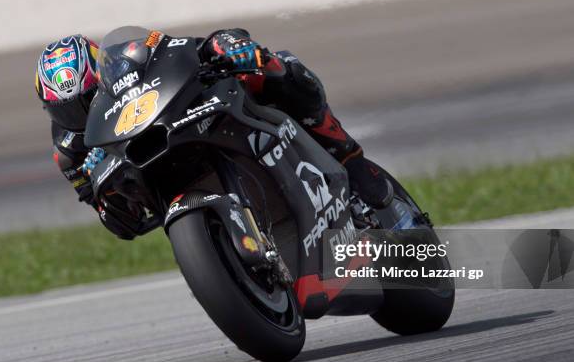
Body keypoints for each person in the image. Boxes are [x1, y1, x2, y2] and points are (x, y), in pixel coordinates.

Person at [35, 28, 393, 239]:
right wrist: (110, 205)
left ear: (101, 74)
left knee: (277, 68)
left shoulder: (128, 60)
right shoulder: (68, 150)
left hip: (177, 123)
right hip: (160, 178)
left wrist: (224, 45)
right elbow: (122, 223)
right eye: (67, 108)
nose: (80, 112)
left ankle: (349, 157)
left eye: (86, 98)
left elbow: (177, 48)